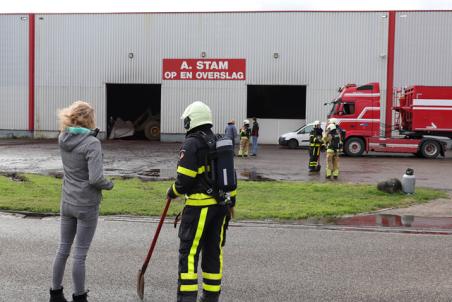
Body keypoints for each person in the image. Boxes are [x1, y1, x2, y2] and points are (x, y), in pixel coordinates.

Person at [166, 101, 237, 302]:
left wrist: (171, 192)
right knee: (213, 252)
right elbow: (231, 176)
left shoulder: (191, 144)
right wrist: (232, 203)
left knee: (189, 253)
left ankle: (186, 298)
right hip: (222, 206)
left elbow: (184, 181)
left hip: (199, 208)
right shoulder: (219, 140)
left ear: (191, 120)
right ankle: (210, 297)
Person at [49, 101, 114, 302]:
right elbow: (95, 179)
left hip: (67, 201)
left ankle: (55, 293)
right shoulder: (92, 143)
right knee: (80, 254)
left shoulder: (63, 137)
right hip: (86, 204)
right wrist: (109, 184)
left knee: (63, 248)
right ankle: (79, 296)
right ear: (89, 118)